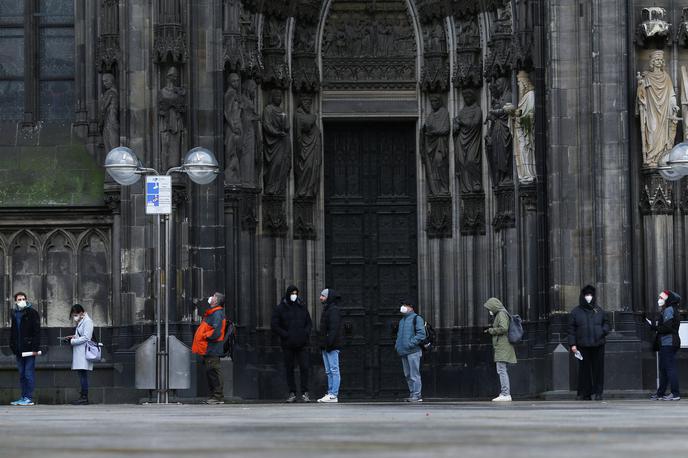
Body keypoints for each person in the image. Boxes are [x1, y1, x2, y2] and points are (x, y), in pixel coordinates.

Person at [271, 285, 313, 402]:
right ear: (288, 294)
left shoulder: (302, 307)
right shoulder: (280, 308)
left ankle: (305, 392)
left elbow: (309, 323)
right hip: (288, 344)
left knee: (304, 367)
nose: (294, 295)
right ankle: (292, 393)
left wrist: (305, 333)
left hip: (302, 343)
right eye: (292, 293)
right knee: (289, 368)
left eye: (296, 293)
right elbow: (274, 325)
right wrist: (285, 335)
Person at [568, 285, 610, 401]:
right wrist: (572, 345)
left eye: (590, 295)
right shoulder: (575, 312)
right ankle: (583, 393)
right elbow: (571, 329)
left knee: (598, 370)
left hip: (598, 344)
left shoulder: (599, 310)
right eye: (587, 295)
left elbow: (606, 323)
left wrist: (602, 331)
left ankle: (598, 392)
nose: (589, 297)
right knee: (583, 370)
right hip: (582, 345)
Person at [192, 292, 227, 405]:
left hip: (212, 348)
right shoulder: (213, 313)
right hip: (209, 348)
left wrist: (204, 336)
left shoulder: (217, 314)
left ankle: (217, 396)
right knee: (211, 372)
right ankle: (215, 396)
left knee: (213, 372)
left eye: (214, 296)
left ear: (216, 301)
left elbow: (216, 332)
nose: (211, 297)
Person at [9, 292, 41, 406]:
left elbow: (37, 331)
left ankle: (28, 397)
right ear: (15, 301)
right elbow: (13, 331)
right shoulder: (15, 314)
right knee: (22, 374)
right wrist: (12, 345)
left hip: (29, 349)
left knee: (28, 373)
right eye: (19, 299)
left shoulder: (32, 313)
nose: (21, 301)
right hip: (19, 349)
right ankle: (23, 396)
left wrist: (35, 348)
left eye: (23, 299)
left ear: (26, 300)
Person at [648, 290, 681, 401]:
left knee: (670, 368)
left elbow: (667, 328)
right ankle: (660, 393)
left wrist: (654, 327)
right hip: (668, 342)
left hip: (669, 342)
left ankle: (675, 393)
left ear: (668, 300)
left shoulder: (669, 310)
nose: (660, 300)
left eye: (662, 298)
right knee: (663, 368)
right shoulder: (672, 310)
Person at [483, 297, 517, 402]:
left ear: (494, 306)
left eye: (489, 308)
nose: (489, 311)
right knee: (501, 370)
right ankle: (505, 393)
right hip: (502, 346)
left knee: (501, 370)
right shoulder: (502, 313)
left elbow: (504, 328)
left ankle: (505, 394)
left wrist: (491, 330)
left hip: (503, 346)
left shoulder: (501, 314)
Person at [395, 300, 426, 402]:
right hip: (404, 351)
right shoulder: (402, 320)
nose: (403, 307)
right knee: (408, 374)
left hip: (413, 351)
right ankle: (412, 394)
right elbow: (400, 335)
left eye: (405, 305)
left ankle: (417, 395)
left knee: (414, 374)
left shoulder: (417, 318)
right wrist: (397, 346)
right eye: (402, 305)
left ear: (411, 307)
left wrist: (410, 344)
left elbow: (421, 334)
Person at [317, 289, 342, 403]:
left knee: (334, 369)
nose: (321, 298)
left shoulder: (333, 310)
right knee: (329, 371)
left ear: (328, 297)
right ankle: (330, 392)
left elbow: (334, 329)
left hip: (331, 345)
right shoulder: (327, 309)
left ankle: (333, 394)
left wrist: (329, 343)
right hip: (325, 345)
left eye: (323, 296)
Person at [66, 304, 94, 405]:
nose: (75, 317)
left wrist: (73, 341)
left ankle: (84, 397)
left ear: (82, 312)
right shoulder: (82, 321)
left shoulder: (87, 321)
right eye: (73, 315)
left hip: (83, 353)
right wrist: (73, 337)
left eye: (76, 314)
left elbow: (86, 337)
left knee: (83, 375)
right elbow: (81, 335)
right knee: (82, 375)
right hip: (80, 352)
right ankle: (83, 396)